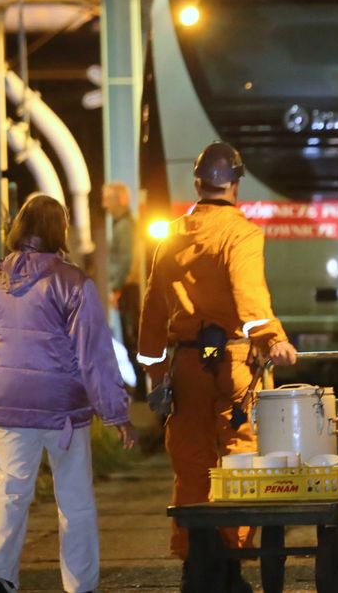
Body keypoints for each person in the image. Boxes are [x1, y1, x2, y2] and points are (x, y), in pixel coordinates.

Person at [136, 140, 297, 591]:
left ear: (198, 182)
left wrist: (153, 371)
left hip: (185, 364)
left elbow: (151, 310)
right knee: (239, 458)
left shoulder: (170, 235)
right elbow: (249, 296)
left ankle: (195, 564)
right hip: (232, 362)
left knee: (190, 463)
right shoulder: (240, 233)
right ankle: (229, 563)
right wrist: (273, 339)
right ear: (237, 184)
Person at [0, 195, 136, 593]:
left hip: (8, 406)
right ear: (58, 231)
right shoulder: (72, 282)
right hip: (62, 409)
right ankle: (79, 586)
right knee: (74, 499)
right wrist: (116, 414)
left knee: (10, 491)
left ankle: (0, 571)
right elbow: (94, 354)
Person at [102, 181, 144, 400]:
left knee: (132, 339)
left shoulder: (124, 227)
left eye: (107, 199)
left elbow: (127, 261)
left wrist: (117, 288)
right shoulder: (125, 225)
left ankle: (141, 394)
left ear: (120, 200)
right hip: (126, 289)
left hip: (127, 290)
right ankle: (140, 391)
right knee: (131, 339)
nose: (104, 204)